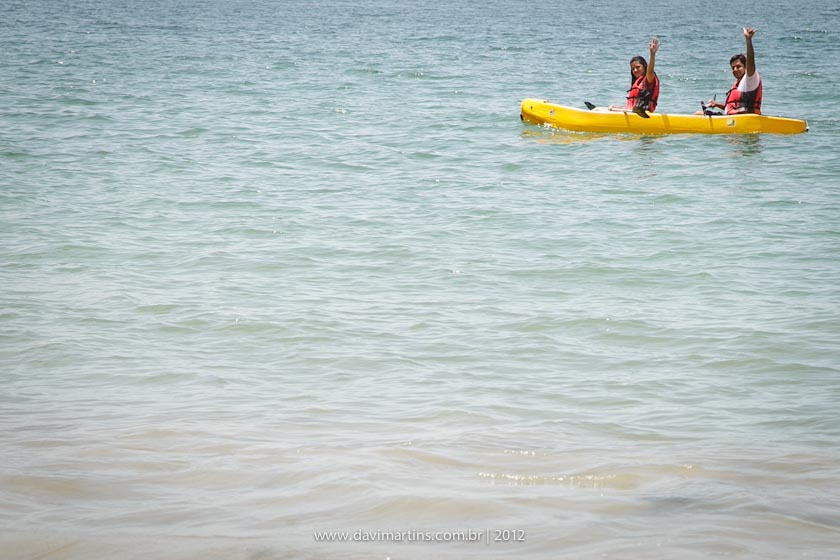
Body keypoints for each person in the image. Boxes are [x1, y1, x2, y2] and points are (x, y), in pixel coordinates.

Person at [702, 27, 762, 115]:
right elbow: (733, 107)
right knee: (701, 113)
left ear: (745, 67)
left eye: (738, 66)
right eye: (733, 68)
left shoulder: (750, 80)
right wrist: (716, 104)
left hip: (743, 121)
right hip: (731, 120)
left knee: (698, 114)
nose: (735, 70)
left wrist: (748, 40)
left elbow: (751, 62)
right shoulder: (737, 84)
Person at [609, 37, 660, 115]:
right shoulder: (637, 82)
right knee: (610, 107)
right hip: (634, 113)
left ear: (644, 67)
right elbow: (631, 107)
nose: (635, 70)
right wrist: (617, 108)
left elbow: (650, 71)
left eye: (638, 67)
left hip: (644, 114)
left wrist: (652, 54)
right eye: (633, 69)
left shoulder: (648, 79)